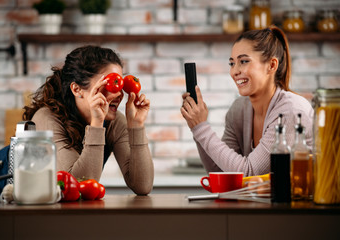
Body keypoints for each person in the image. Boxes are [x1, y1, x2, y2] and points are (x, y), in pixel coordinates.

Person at [180, 25, 313, 177]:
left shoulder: (292, 111)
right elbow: (220, 172)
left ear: (271, 65)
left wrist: (201, 128)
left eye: (243, 61)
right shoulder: (238, 110)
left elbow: (249, 172)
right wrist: (195, 126)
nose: (235, 71)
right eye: (232, 63)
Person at [23, 45, 154, 195]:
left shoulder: (114, 120)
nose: (119, 94)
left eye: (120, 84)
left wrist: (136, 127)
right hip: (1, 195)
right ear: (77, 89)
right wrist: (97, 124)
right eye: (110, 84)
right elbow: (77, 187)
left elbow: (143, 186)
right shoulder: (47, 118)